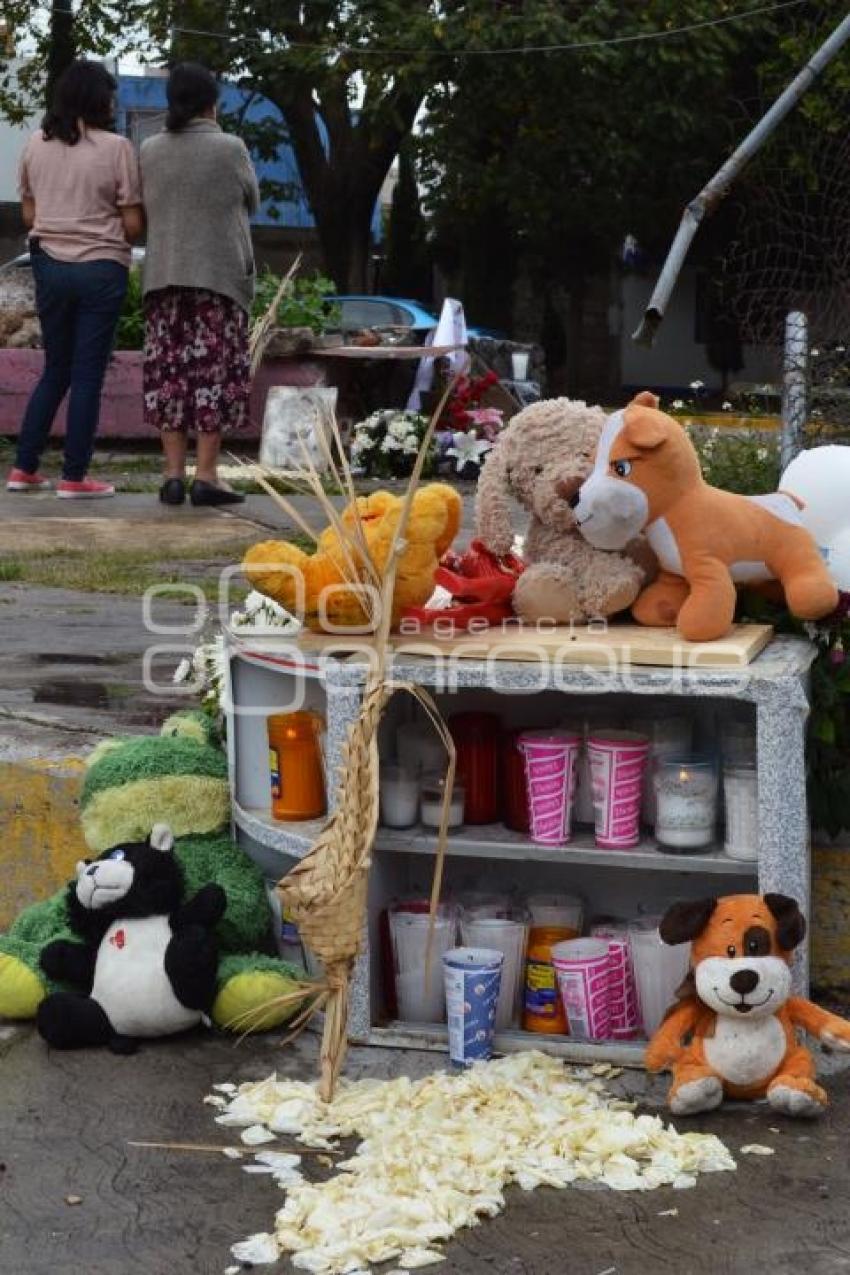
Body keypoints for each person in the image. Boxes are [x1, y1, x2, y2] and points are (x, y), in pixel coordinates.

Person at [8, 60, 144, 498]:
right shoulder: (117, 147)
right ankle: (74, 475)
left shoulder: (35, 144)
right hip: (101, 266)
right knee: (87, 375)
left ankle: (23, 468)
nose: (113, 102)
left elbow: (29, 212)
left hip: (47, 262)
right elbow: (133, 225)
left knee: (55, 370)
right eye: (109, 95)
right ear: (96, 99)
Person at [141, 62, 260, 506]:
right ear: (212, 102)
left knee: (169, 375)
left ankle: (172, 475)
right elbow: (252, 198)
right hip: (218, 279)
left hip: (164, 278)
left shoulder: (150, 148)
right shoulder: (230, 147)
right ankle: (207, 475)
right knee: (214, 374)